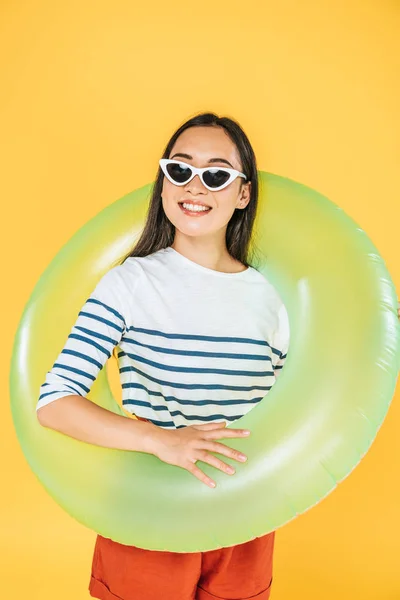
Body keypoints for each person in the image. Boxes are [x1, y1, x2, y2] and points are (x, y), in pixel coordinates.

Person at [35, 111, 293, 600]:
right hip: (149, 513)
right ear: (164, 183)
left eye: (217, 174)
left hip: (247, 516)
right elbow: (54, 402)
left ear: (243, 193)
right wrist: (161, 440)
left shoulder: (274, 298)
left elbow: (301, 403)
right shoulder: (130, 282)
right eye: (180, 169)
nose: (196, 186)